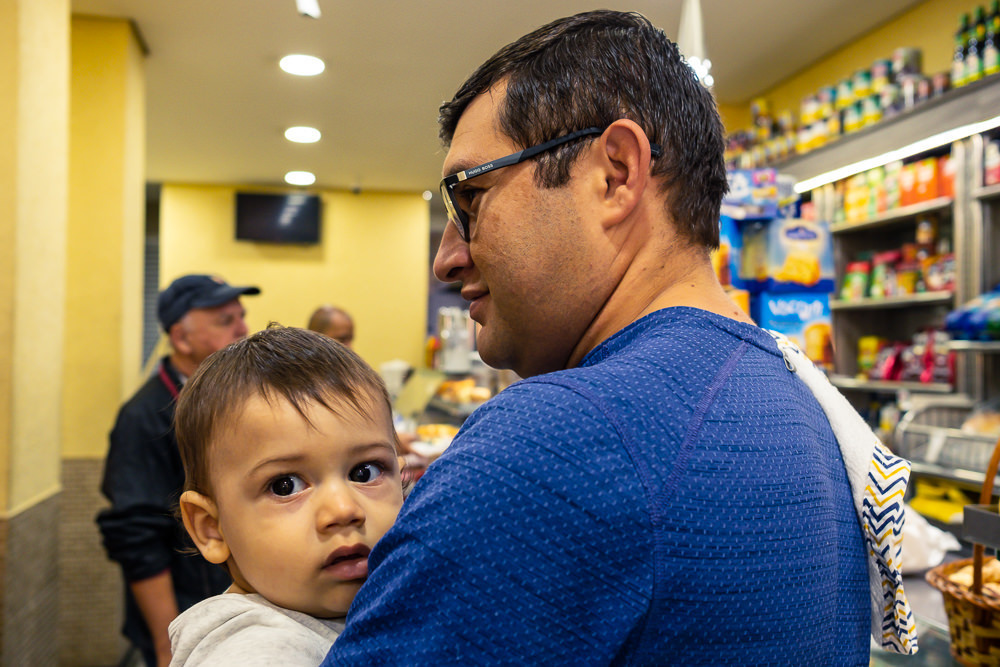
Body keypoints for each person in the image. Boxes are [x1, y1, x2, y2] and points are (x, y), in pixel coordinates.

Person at [326, 10, 916, 665]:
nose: (447, 259)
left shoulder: (558, 437)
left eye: (470, 199)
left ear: (615, 173)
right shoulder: (802, 407)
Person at [167, 325, 405, 666]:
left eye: (364, 472)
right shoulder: (258, 647)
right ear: (211, 528)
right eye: (285, 486)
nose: (344, 509)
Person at [97, 274, 260, 667]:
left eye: (241, 316)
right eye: (225, 321)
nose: (242, 329)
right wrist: (167, 645)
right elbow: (137, 539)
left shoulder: (227, 401)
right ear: (182, 339)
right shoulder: (144, 418)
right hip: (185, 620)